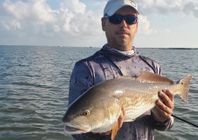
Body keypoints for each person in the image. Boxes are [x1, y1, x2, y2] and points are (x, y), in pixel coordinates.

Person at [68, 0, 175, 139]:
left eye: (131, 19)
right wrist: (103, 132)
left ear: (136, 26)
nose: (124, 24)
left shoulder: (152, 66)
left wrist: (163, 119)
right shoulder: (86, 68)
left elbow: (166, 124)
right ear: (104, 23)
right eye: (116, 18)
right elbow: (77, 130)